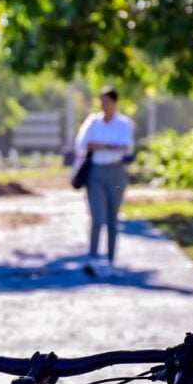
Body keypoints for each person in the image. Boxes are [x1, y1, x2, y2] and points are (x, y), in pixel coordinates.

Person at [74, 86, 134, 278]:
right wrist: (110, 147)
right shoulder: (92, 123)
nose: (104, 105)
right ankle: (92, 258)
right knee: (97, 217)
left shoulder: (124, 124)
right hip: (96, 174)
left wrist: (103, 146)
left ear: (115, 103)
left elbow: (126, 149)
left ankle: (110, 260)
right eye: (101, 101)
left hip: (116, 176)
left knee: (113, 218)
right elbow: (84, 145)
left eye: (107, 101)